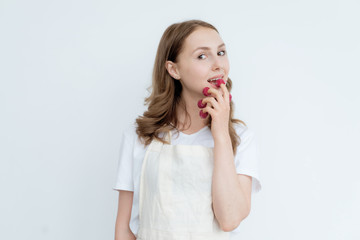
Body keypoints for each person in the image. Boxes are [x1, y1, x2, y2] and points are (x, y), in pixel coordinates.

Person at [113, 19, 262, 240]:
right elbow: (124, 230)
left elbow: (229, 219)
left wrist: (220, 132)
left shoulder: (240, 138)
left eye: (221, 52)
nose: (218, 64)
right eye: (202, 56)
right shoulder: (140, 137)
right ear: (174, 69)